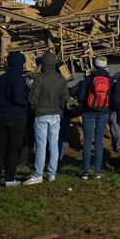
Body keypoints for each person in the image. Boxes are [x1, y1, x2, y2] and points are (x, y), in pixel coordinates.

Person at [23, 52, 69, 185]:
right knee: (54, 145)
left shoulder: (39, 79)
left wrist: (35, 107)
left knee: (41, 146)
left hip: (41, 115)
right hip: (56, 115)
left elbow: (32, 99)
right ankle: (52, 174)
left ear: (43, 64)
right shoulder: (61, 79)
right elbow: (65, 98)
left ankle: (38, 174)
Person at [0, 52, 29, 187]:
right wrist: (26, 101)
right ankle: (10, 178)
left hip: (2, 117)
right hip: (17, 117)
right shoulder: (19, 79)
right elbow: (18, 99)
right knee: (13, 149)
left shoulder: (2, 78)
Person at [78, 56, 114, 179]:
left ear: (95, 64)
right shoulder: (110, 80)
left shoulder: (89, 79)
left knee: (88, 141)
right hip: (104, 113)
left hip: (88, 113)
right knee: (99, 141)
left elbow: (81, 98)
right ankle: (98, 171)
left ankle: (86, 171)